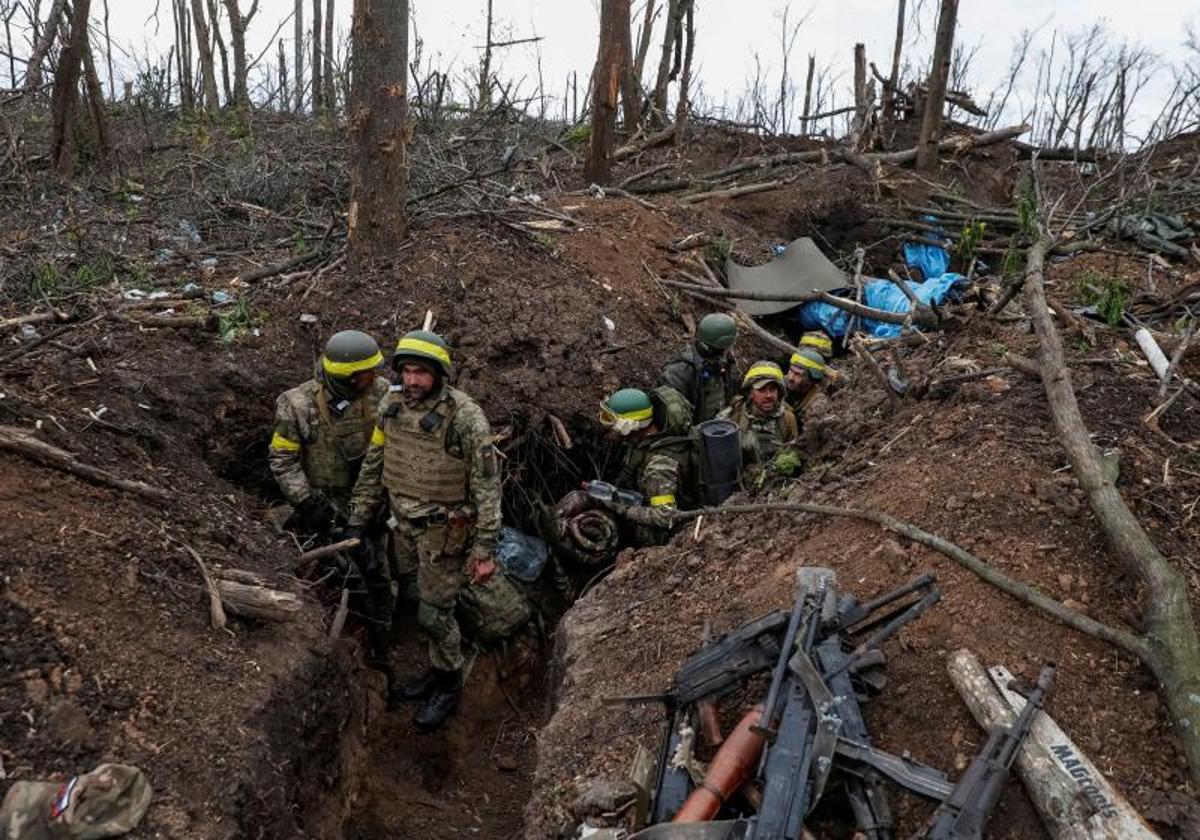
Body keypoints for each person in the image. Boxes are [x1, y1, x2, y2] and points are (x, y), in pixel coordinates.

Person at [346, 329, 509, 731]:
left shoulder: (465, 416)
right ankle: (436, 672)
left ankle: (450, 684)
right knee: (419, 602)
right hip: (402, 526)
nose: (413, 380)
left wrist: (485, 549)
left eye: (422, 372)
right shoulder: (392, 403)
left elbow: (488, 486)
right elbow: (375, 462)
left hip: (443, 533)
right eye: (408, 371)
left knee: (435, 615)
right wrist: (358, 517)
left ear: (439, 374)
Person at [268, 330, 395, 663]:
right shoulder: (298, 404)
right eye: (369, 371)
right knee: (345, 577)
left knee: (378, 571)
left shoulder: (382, 394)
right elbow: (283, 460)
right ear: (350, 377)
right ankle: (354, 642)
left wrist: (385, 498)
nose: (376, 376)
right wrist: (308, 503)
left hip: (371, 503)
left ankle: (384, 638)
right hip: (326, 507)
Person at [594, 385, 695, 547]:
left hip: (665, 539)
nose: (607, 427)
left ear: (628, 425)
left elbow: (665, 516)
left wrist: (621, 508)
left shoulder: (659, 466)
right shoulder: (645, 440)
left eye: (611, 420)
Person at [657, 312, 739, 423]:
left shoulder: (722, 362)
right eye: (728, 347)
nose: (730, 350)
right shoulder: (680, 371)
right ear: (718, 348)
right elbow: (673, 418)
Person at [722, 361, 799, 472]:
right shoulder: (735, 414)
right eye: (761, 390)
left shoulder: (787, 419)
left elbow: (794, 454)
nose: (768, 395)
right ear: (751, 393)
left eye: (772, 389)